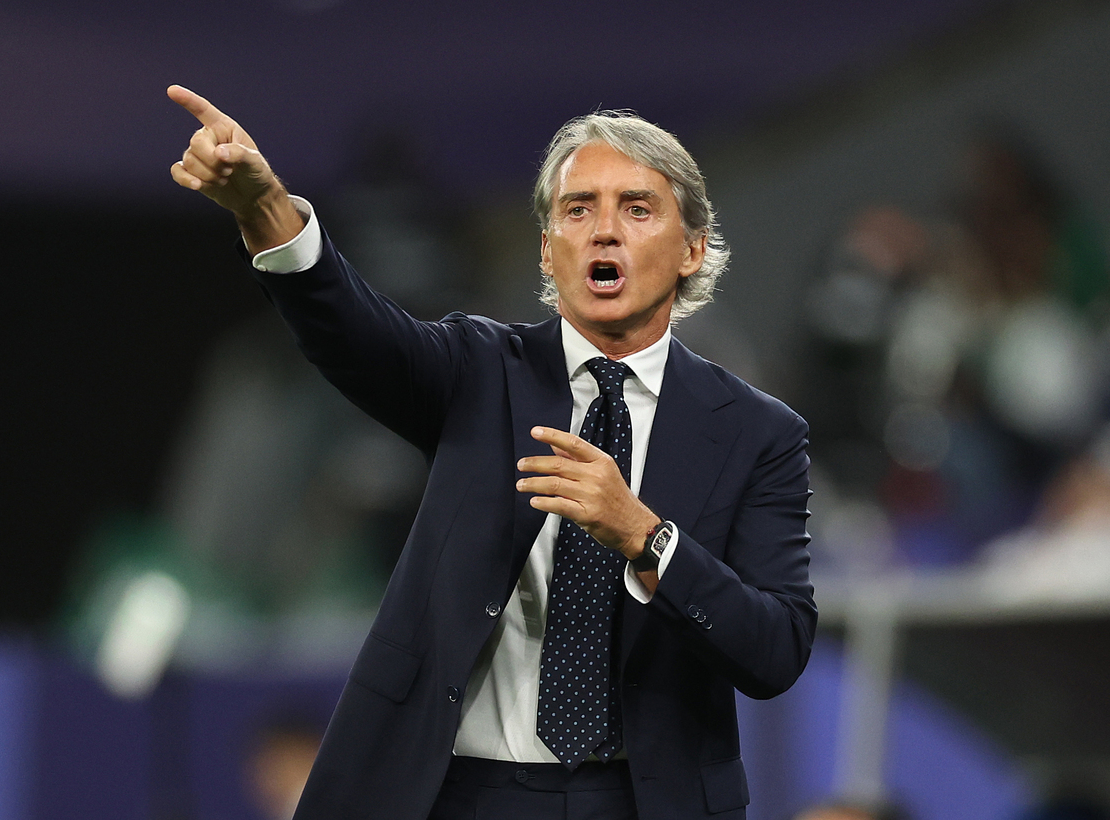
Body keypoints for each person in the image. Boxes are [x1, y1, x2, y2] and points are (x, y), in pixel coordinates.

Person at [168, 84, 816, 820]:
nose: (604, 232)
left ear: (693, 249)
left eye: (636, 209)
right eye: (579, 210)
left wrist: (647, 536)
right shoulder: (478, 371)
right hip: (463, 794)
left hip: (643, 800)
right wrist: (265, 209)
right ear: (548, 249)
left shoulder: (757, 433)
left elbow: (776, 649)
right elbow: (349, 329)